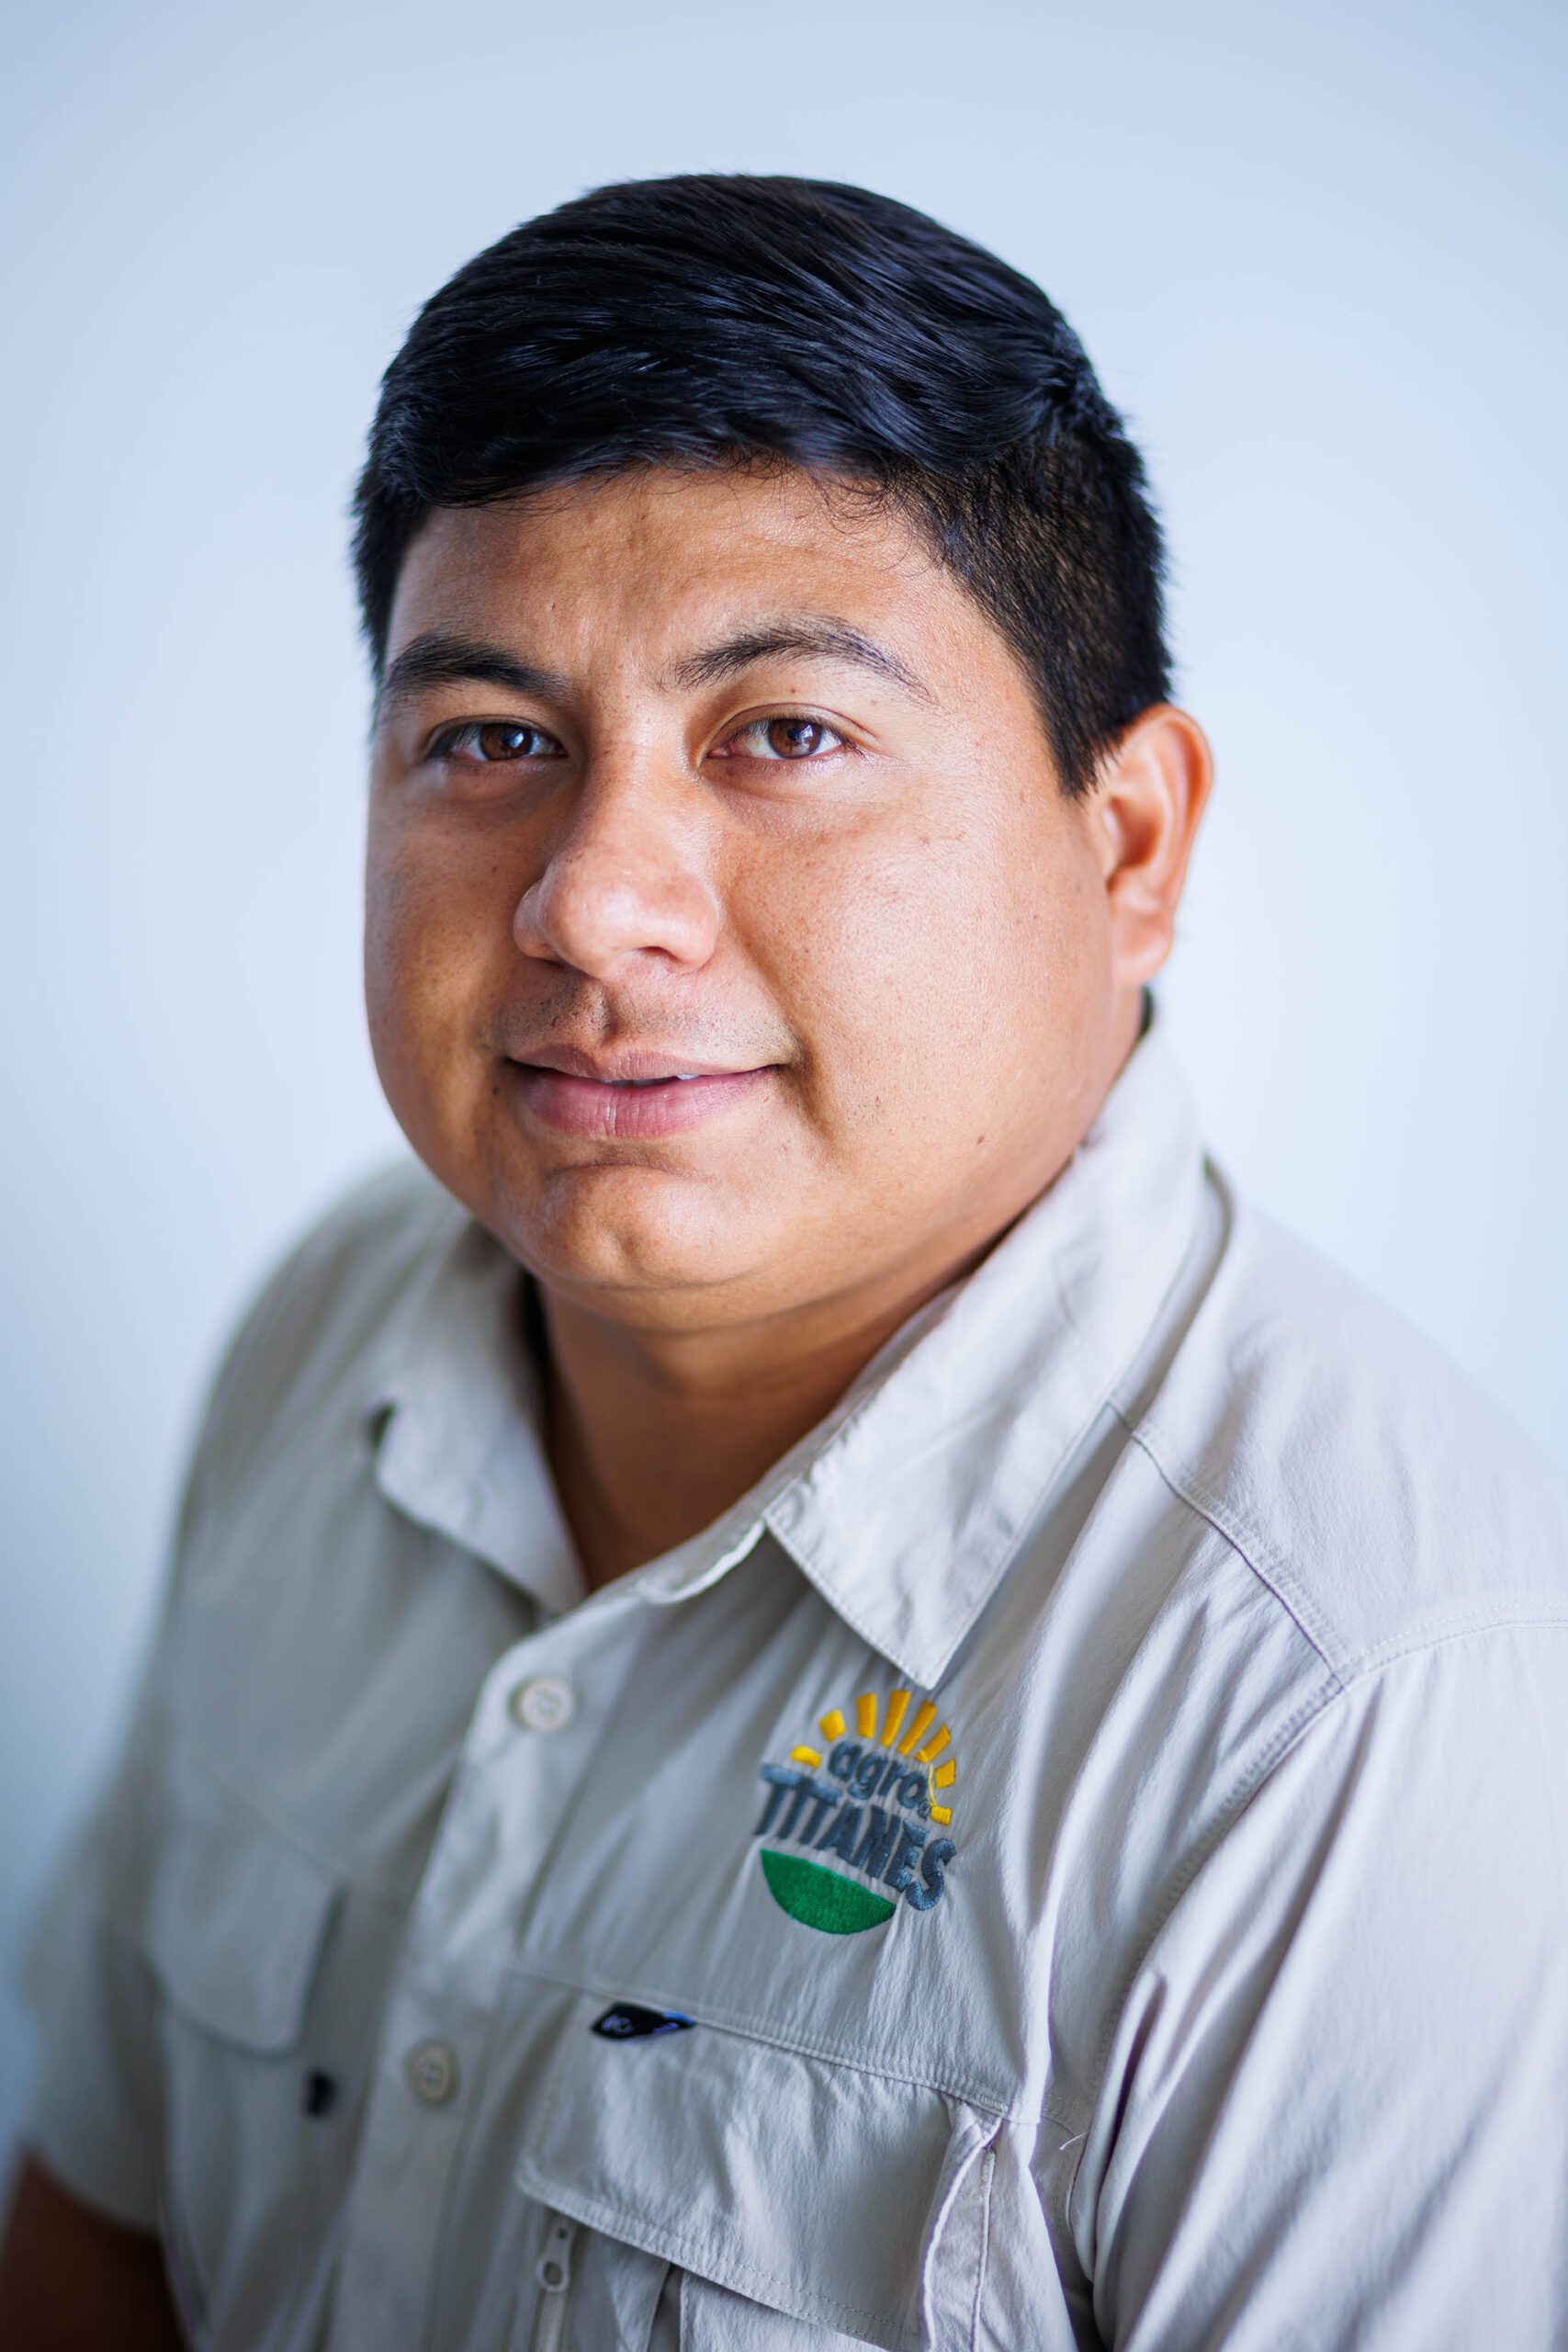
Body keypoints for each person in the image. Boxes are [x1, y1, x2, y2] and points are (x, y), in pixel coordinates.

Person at [2, 172, 1564, 2352]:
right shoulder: (328, 1329)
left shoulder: (1359, 1719)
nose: (586, 901)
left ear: (1123, 845)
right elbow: (101, 2224)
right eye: (491, 742)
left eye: (786, 736)